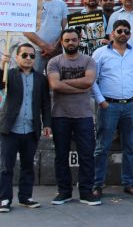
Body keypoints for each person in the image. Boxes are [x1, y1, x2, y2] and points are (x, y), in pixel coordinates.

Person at [0, 44, 52, 213]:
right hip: (10, 129)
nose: (28, 58)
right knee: (6, 167)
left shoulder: (41, 78)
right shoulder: (9, 74)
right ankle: (4, 199)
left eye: (32, 56)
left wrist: (47, 123)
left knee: (28, 166)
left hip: (31, 129)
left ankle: (26, 197)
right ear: (17, 57)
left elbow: (46, 103)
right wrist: (1, 65)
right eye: (24, 55)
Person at [91, 20, 133, 199]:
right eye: (119, 31)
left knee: (130, 147)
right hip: (108, 105)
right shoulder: (99, 53)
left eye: (126, 31)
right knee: (102, 147)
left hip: (130, 106)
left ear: (130, 34)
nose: (123, 34)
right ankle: (97, 184)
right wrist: (101, 101)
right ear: (112, 33)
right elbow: (92, 79)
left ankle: (129, 183)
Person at [47, 29, 99, 205]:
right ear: (62, 42)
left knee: (87, 155)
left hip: (83, 116)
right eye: (67, 40)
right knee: (61, 156)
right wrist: (79, 87)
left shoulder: (89, 61)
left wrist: (64, 83)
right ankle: (64, 192)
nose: (71, 43)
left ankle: (86, 192)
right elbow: (54, 85)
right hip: (60, 115)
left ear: (79, 41)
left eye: (74, 40)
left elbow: (89, 81)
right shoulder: (54, 62)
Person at [24, 0, 68, 73]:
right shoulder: (31, 4)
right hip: (36, 51)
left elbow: (66, 29)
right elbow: (26, 30)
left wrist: (55, 47)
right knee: (34, 82)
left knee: (56, 83)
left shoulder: (62, 5)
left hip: (56, 52)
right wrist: (45, 46)